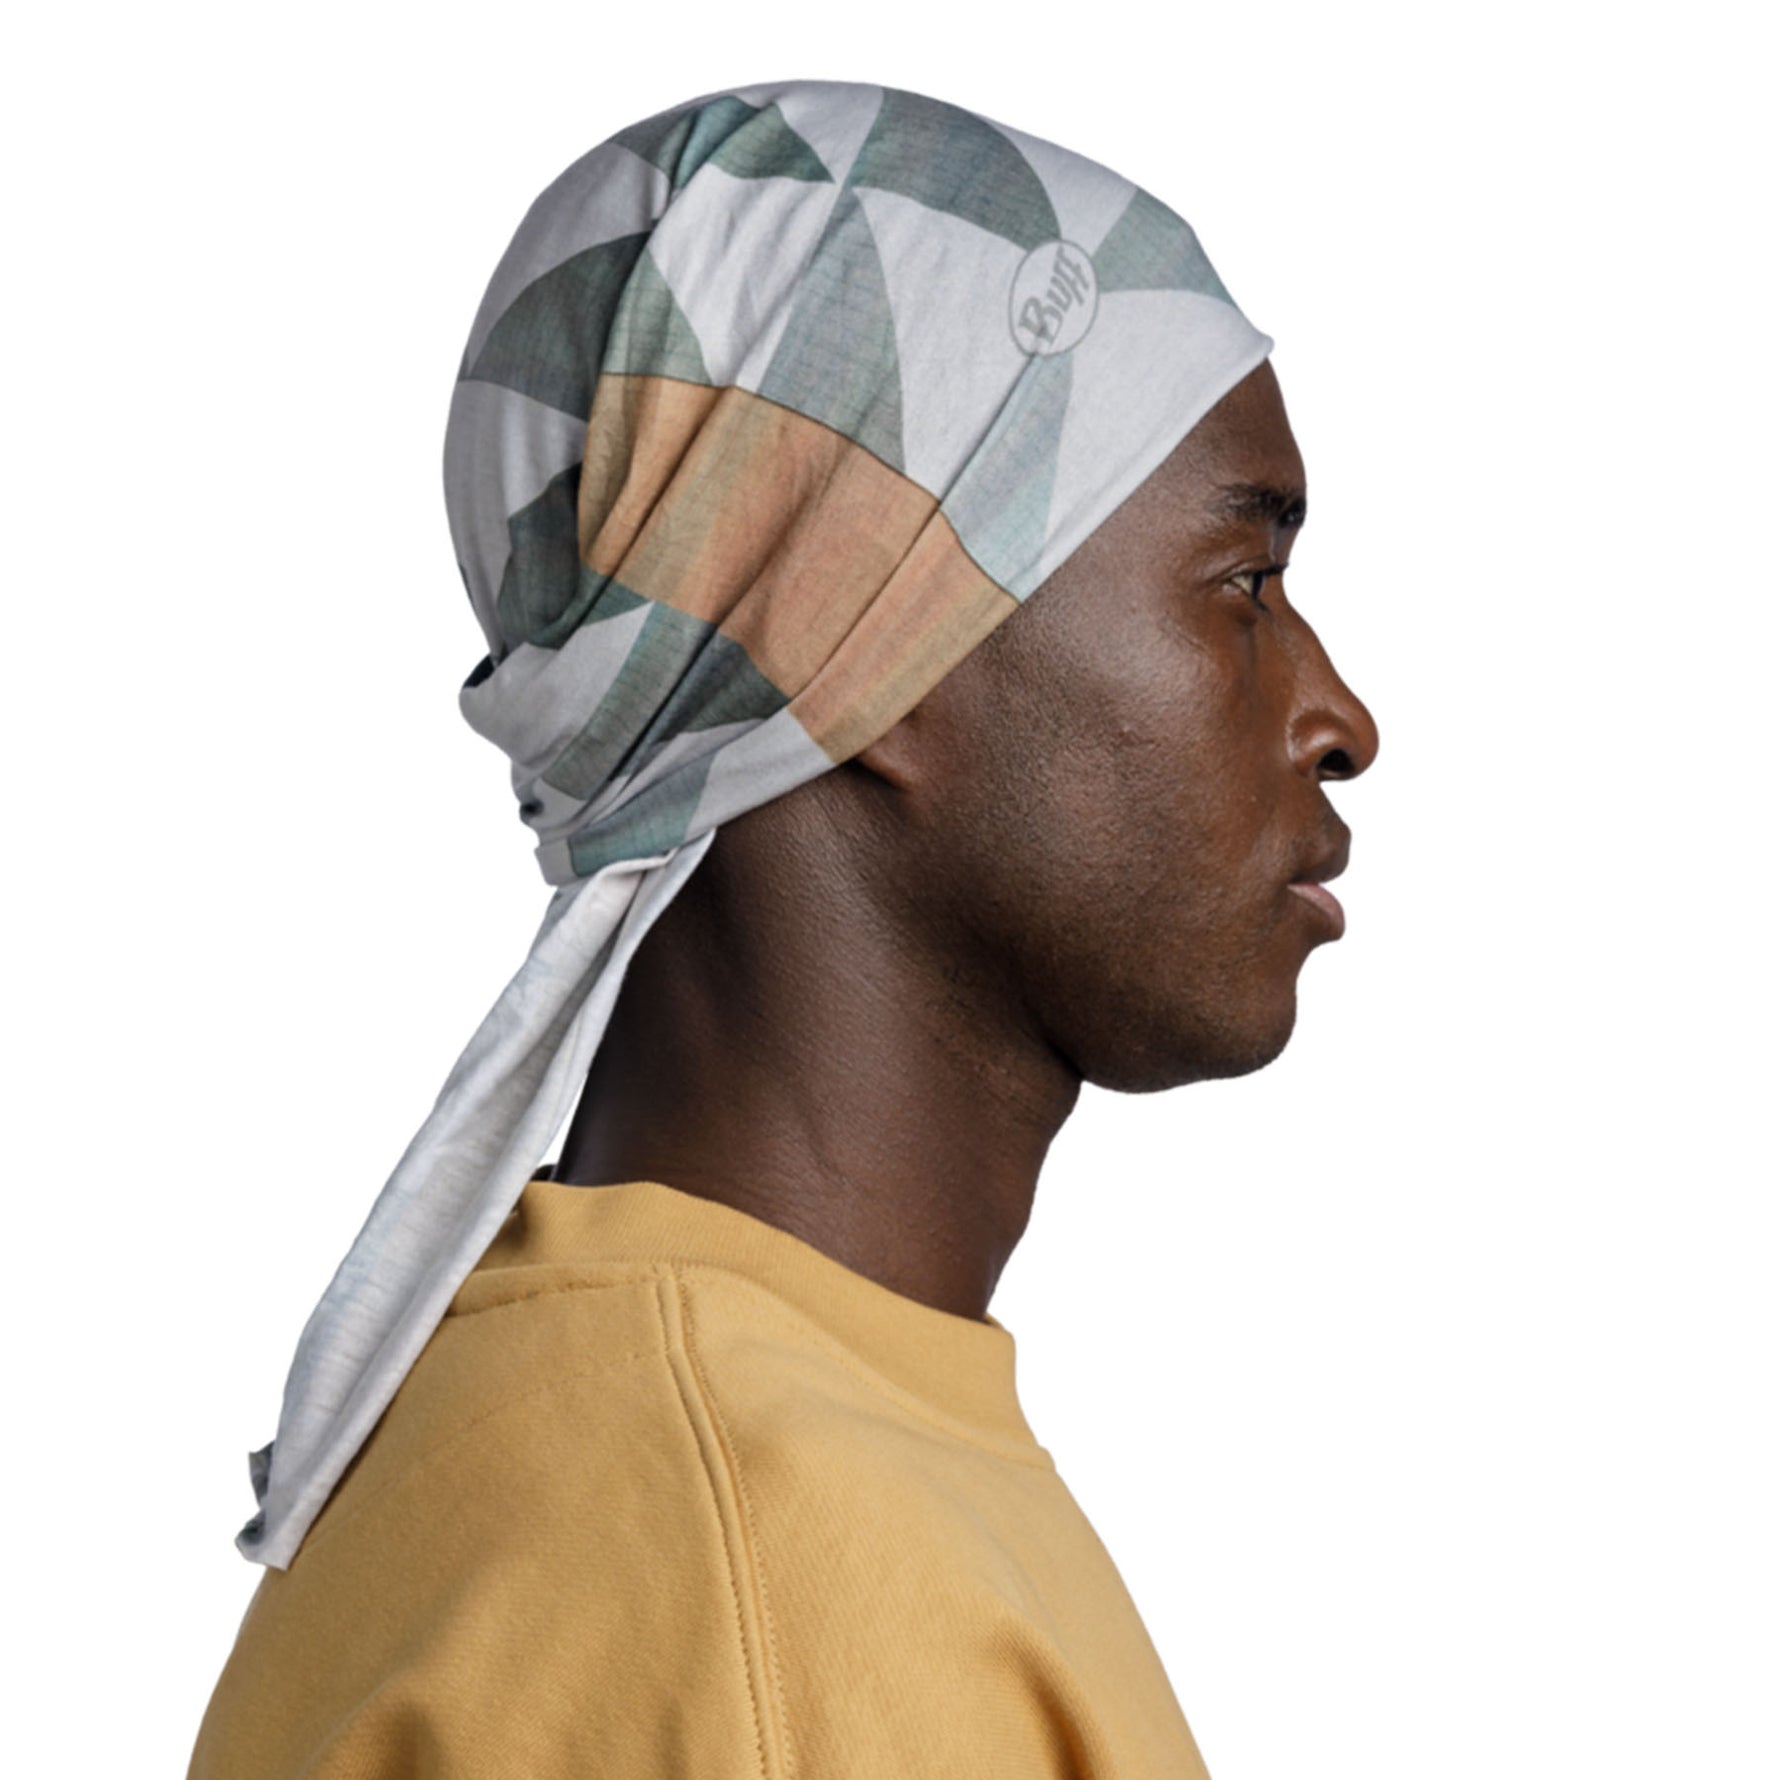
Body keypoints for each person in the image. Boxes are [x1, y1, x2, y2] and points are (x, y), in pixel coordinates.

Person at [188, 76, 1377, 1777]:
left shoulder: (618, 1442)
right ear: (872, 641)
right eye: (1244, 586)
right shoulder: (756, 1572)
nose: (1339, 715)